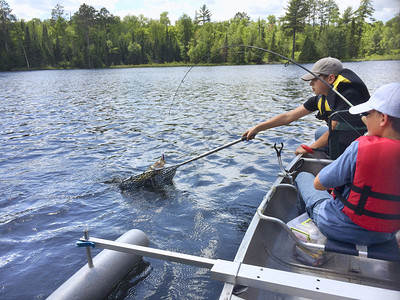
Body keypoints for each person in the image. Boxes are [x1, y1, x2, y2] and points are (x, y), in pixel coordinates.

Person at [295, 83, 400, 246]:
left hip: (339, 227)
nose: (364, 118)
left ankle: (306, 223)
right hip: (386, 234)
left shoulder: (360, 147)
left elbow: (319, 184)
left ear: (383, 118)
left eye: (367, 114)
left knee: (303, 176)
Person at [242, 57, 370, 156]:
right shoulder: (322, 98)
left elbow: (334, 130)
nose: (310, 84)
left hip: (354, 146)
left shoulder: (349, 95)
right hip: (339, 138)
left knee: (303, 174)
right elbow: (288, 116)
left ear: (330, 78)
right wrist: (258, 128)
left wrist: (310, 148)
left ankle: (330, 163)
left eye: (314, 79)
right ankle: (325, 156)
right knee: (319, 132)